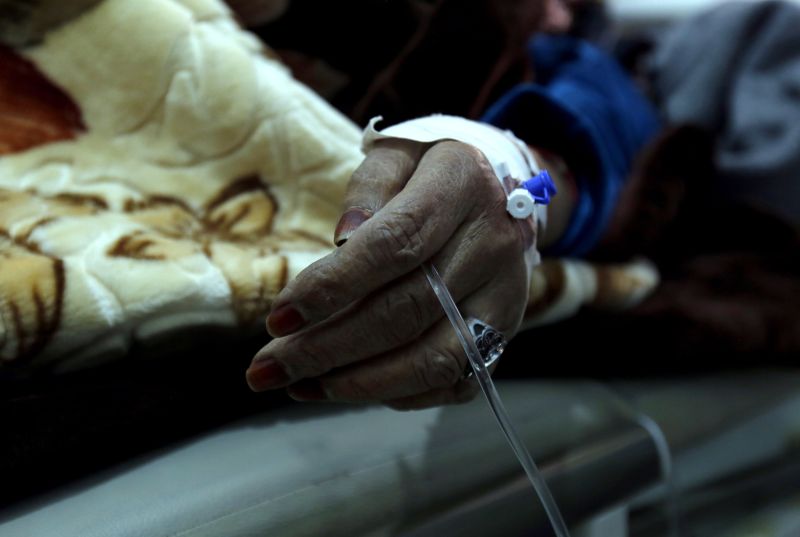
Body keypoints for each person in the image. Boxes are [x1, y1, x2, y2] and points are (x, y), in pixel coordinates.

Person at [243, 0, 676, 409]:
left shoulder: (578, 68)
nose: (558, 17)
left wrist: (513, 170)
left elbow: (569, 168)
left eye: (566, 7)